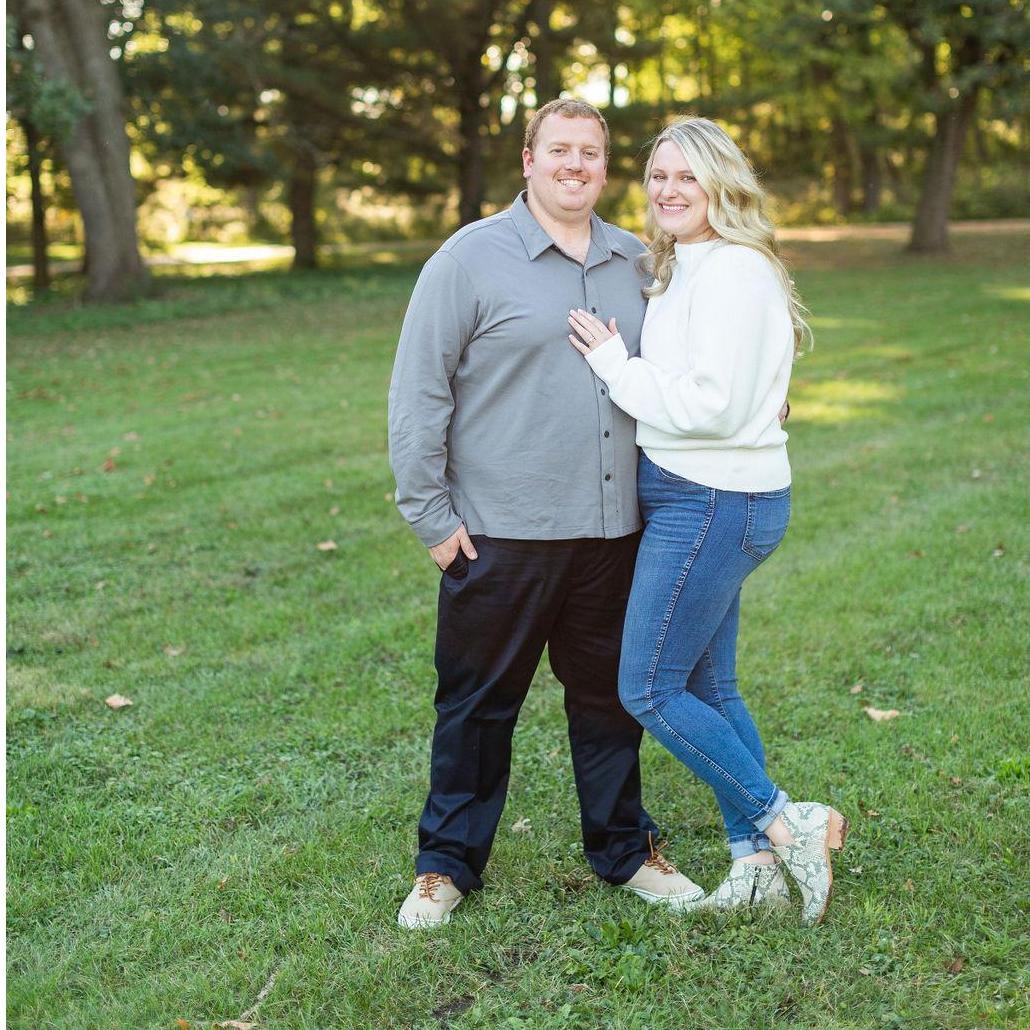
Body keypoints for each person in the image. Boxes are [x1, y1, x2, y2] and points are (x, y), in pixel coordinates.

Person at [387, 99, 706, 929]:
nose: (575, 165)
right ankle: (446, 865)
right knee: (476, 707)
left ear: (605, 167)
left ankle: (625, 850)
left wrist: (757, 396)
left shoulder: (641, 261)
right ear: (528, 160)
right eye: (559, 150)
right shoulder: (468, 260)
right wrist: (431, 519)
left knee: (609, 703)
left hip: (614, 532)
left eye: (590, 152)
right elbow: (418, 392)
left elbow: (693, 363)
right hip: (499, 534)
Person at [567, 117, 848, 926]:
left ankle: (785, 821)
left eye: (686, 176)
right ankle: (754, 865)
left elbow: (713, 405)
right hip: (702, 494)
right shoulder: (689, 265)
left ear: (721, 183)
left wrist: (615, 367)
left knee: (648, 687)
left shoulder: (732, 270)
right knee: (707, 685)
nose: (668, 189)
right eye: (658, 175)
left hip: (712, 499)